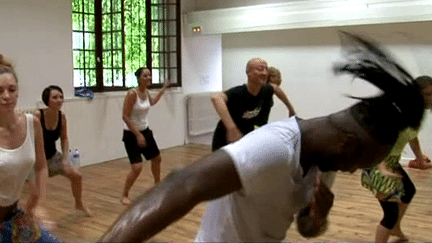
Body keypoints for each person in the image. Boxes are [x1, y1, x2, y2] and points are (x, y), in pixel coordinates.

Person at [99, 32, 425, 242]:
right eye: (360, 163)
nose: (355, 171)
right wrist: (230, 127)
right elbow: (180, 185)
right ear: (347, 144)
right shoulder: (271, 150)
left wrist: (318, 217)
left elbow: (305, 229)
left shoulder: (325, 165)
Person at [361, 75, 432, 243]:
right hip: (376, 163)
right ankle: (391, 227)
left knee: (409, 191)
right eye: (428, 94)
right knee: (390, 214)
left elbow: (412, 137)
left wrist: (419, 158)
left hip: (391, 162)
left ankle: (395, 228)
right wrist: (382, 167)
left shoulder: (417, 114)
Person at [0, 54, 60, 242]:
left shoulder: (32, 124)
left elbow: (41, 167)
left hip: (12, 215)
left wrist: (38, 204)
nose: (6, 96)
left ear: (18, 92)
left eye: (11, 89)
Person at [29, 85, 92, 216]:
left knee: (77, 176)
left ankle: (79, 205)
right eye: (55, 97)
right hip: (36, 160)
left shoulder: (61, 116)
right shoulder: (38, 115)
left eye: (61, 97)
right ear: (47, 100)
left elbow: (64, 138)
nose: (59, 100)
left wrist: (64, 158)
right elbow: (29, 139)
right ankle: (29, 216)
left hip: (53, 157)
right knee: (36, 193)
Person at [211, 58, 296, 151]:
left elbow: (276, 88)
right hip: (225, 142)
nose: (264, 73)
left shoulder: (266, 90)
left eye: (265, 69)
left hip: (244, 141)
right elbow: (216, 98)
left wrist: (290, 109)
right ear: (249, 73)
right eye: (260, 69)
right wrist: (232, 129)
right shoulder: (239, 92)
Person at [120, 67, 170, 205]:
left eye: (149, 75)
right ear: (139, 78)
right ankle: (124, 194)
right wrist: (137, 135)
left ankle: (157, 185)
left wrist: (164, 88)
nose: (148, 78)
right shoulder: (132, 94)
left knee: (157, 158)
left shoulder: (146, 92)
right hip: (131, 134)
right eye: (145, 75)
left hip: (145, 131)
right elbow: (125, 116)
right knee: (137, 168)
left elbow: (152, 102)